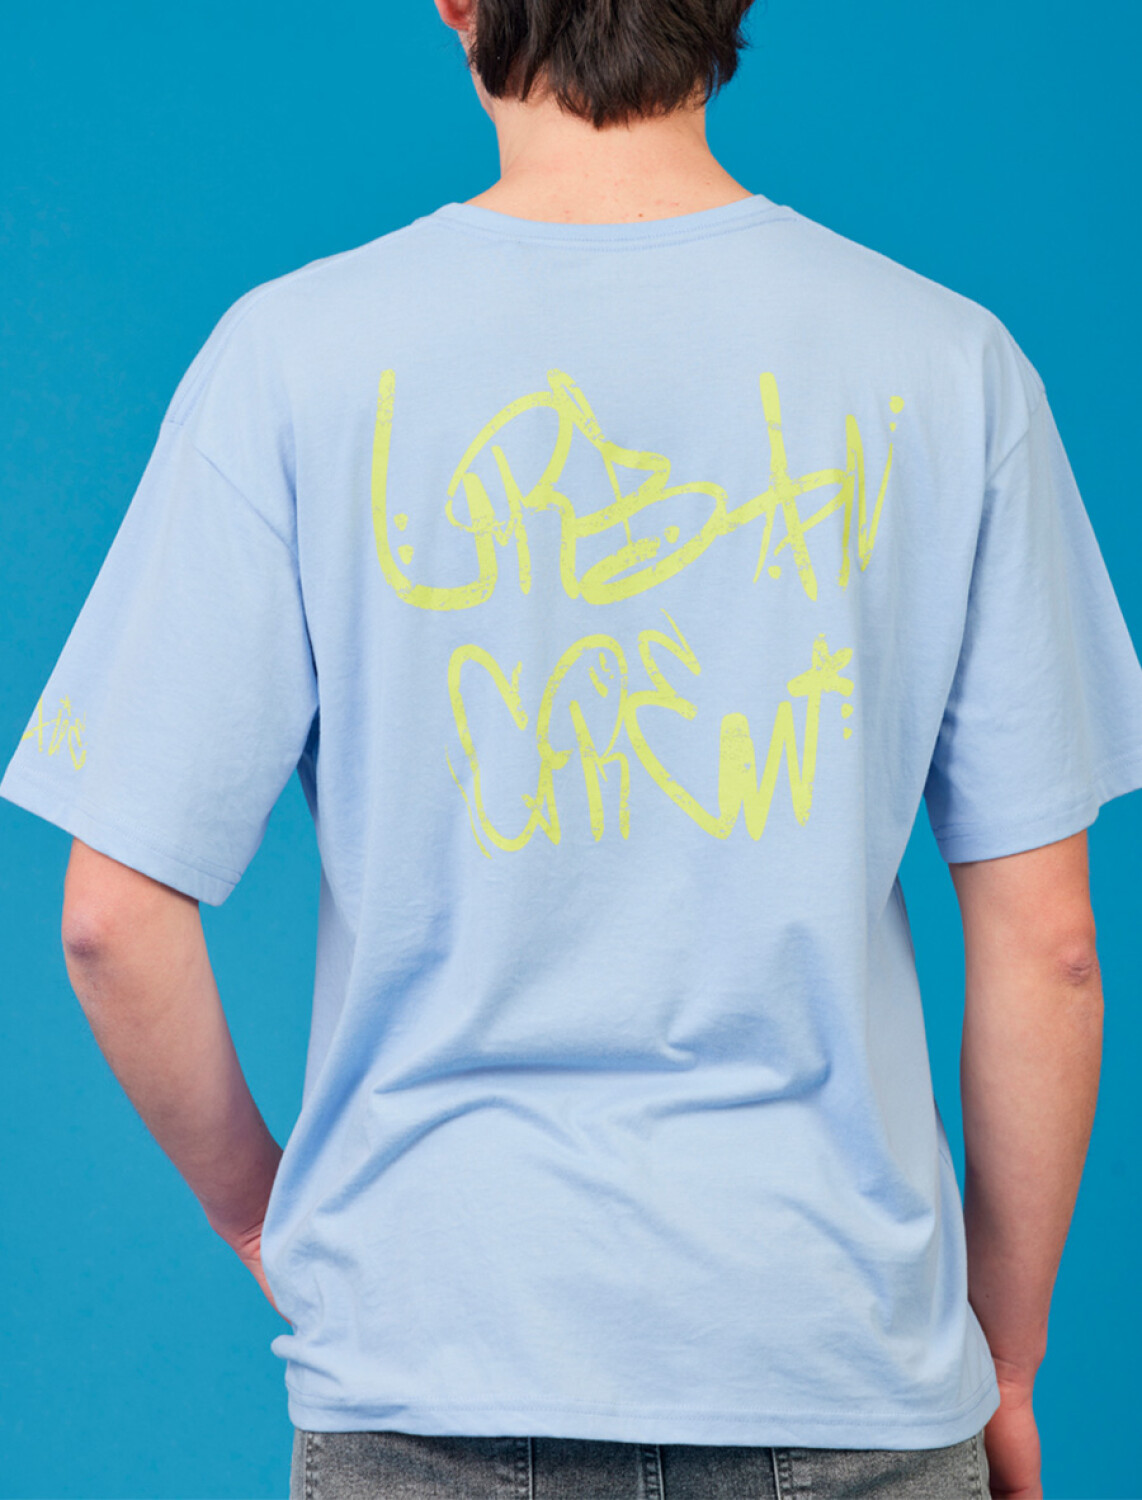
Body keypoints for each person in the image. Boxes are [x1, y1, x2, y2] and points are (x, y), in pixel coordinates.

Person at [2, 0, 1140, 1495]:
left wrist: (257, 1214)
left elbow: (111, 918)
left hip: (430, 1356)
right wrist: (1007, 1357)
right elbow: (1050, 948)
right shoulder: (950, 363)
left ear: (456, 0)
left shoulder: (291, 357)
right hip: (840, 1364)